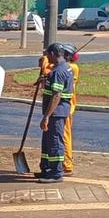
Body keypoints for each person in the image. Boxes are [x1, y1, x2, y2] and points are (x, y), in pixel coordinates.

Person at [37, 43, 74, 182]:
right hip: (55, 112)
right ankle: (47, 169)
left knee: (55, 142)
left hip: (56, 113)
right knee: (47, 142)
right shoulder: (62, 68)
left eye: (47, 54)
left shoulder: (58, 71)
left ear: (53, 54)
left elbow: (56, 95)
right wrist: (45, 81)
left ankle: (56, 173)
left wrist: (46, 116)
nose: (47, 57)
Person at [63, 45, 81, 175]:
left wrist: (45, 61)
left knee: (64, 136)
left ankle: (67, 164)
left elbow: (50, 70)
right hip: (67, 106)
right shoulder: (70, 67)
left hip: (66, 107)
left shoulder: (72, 68)